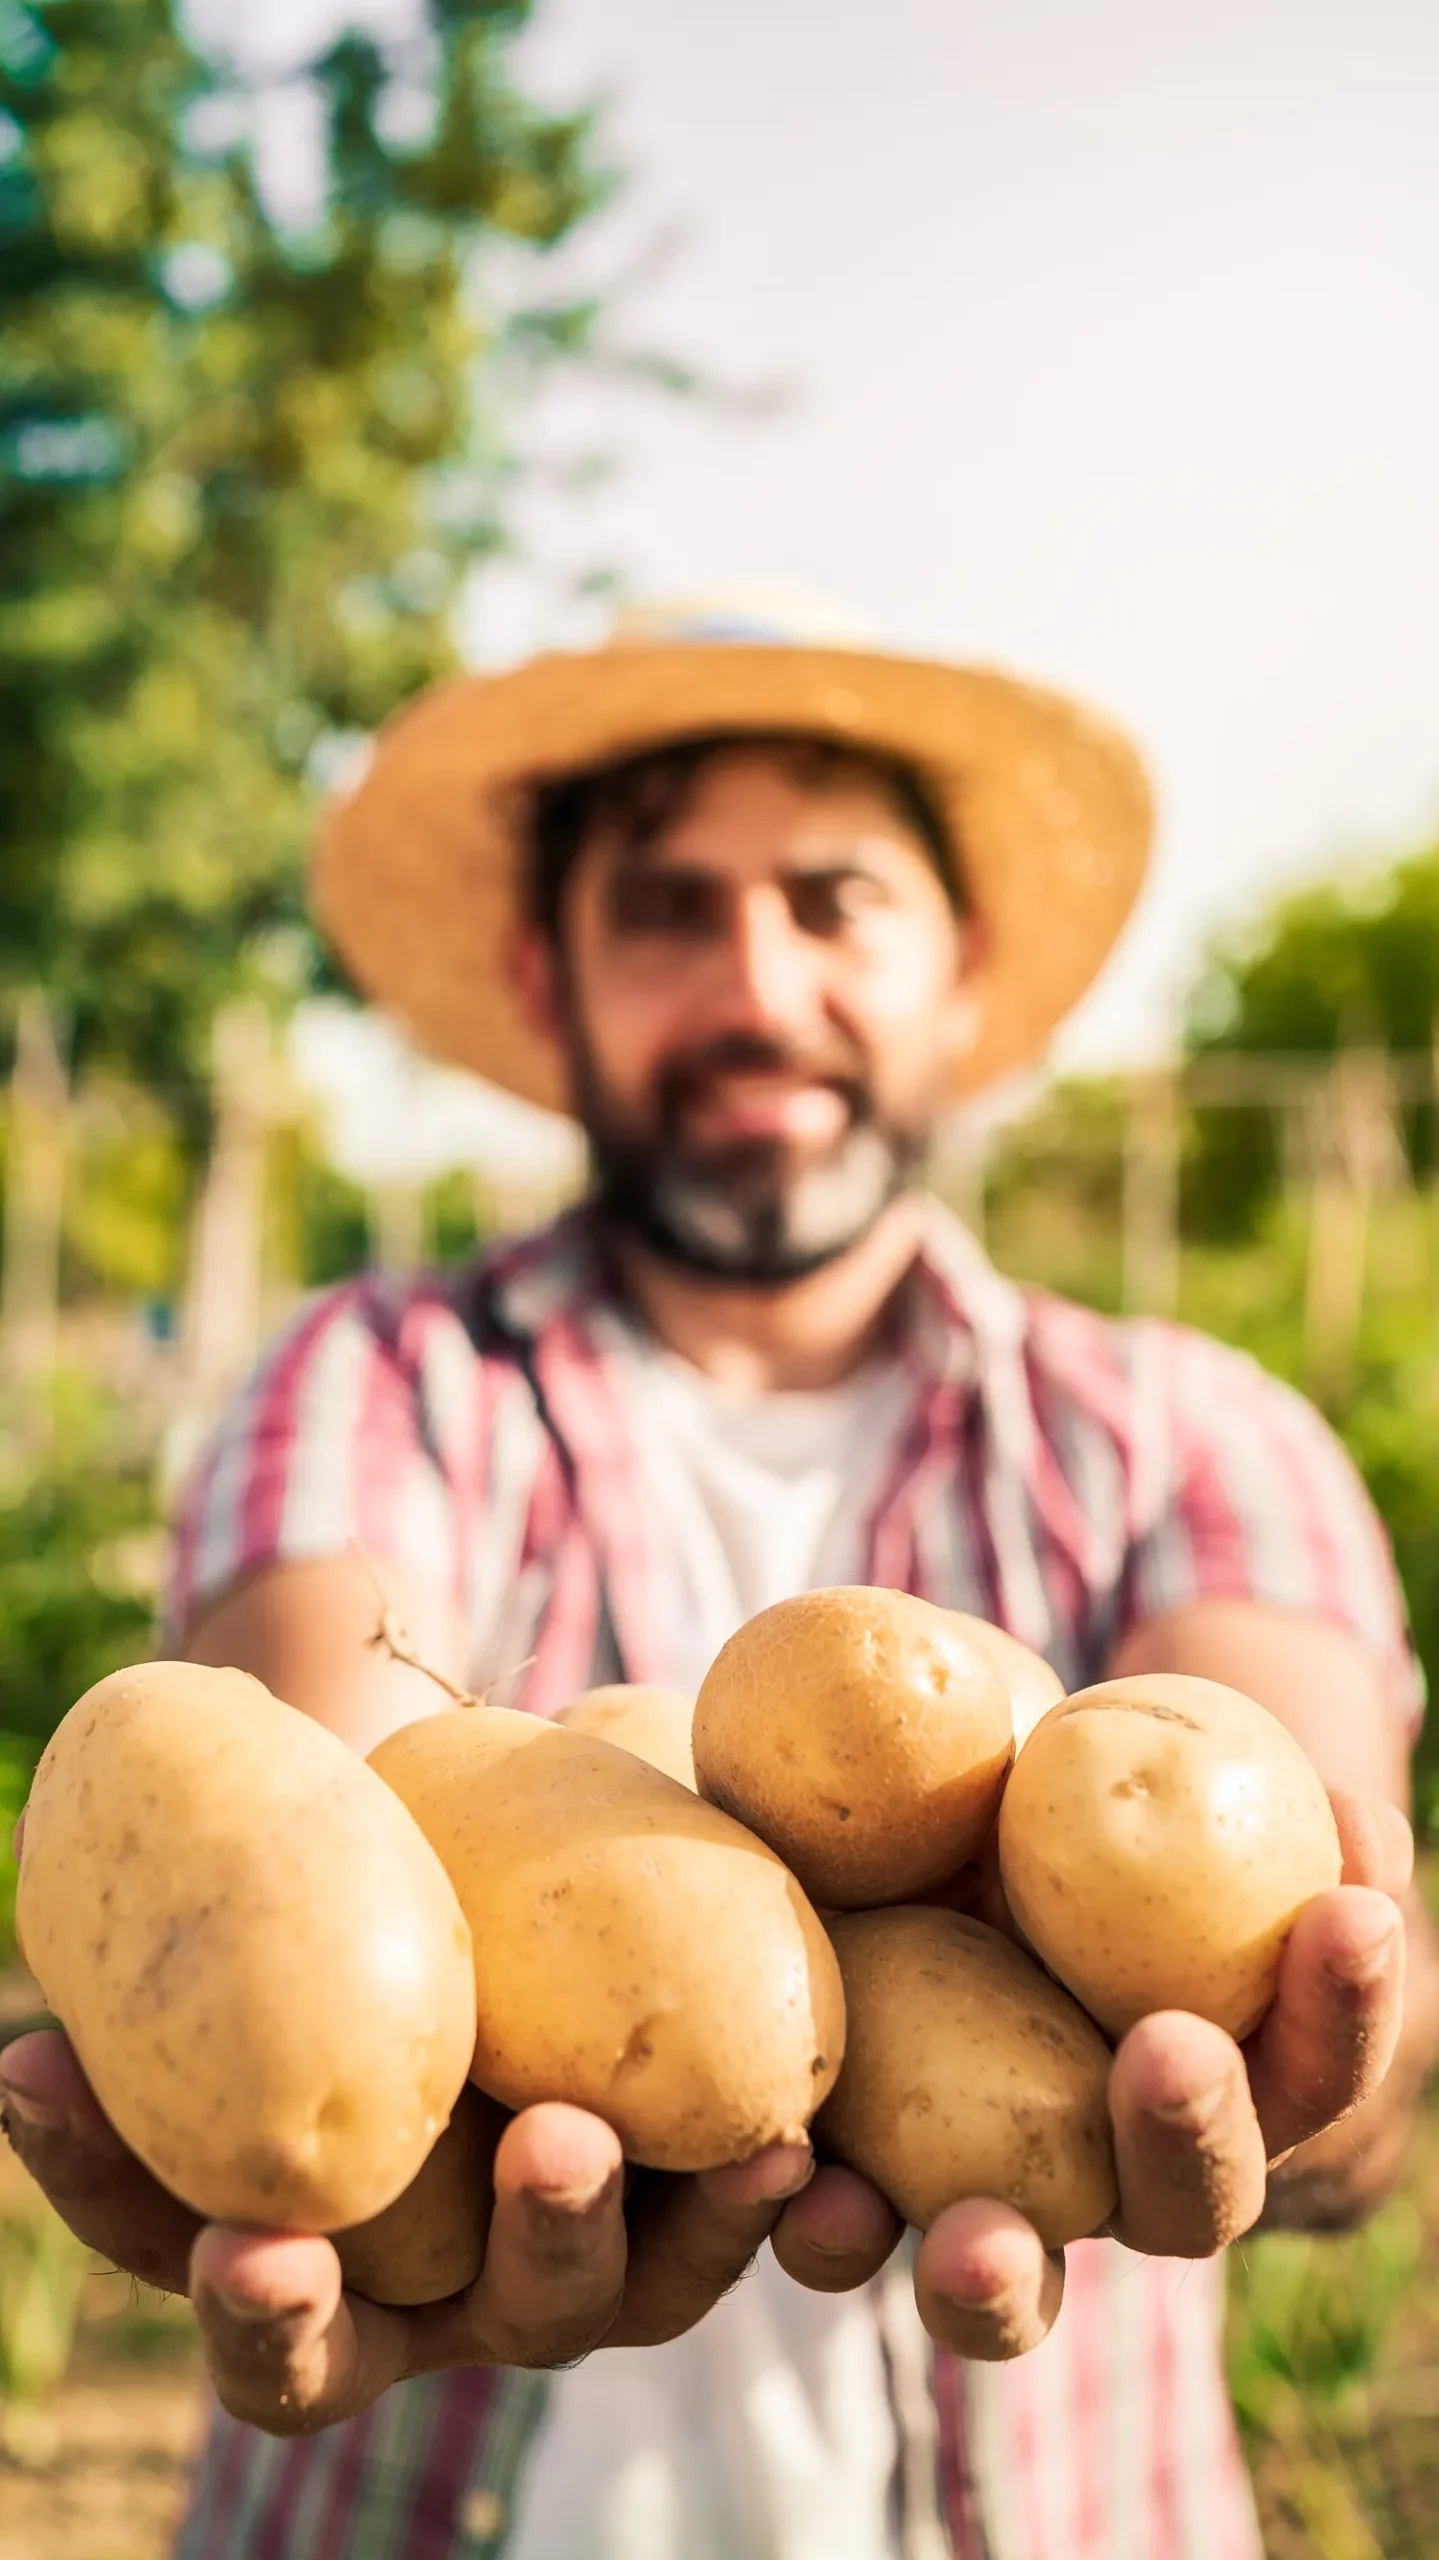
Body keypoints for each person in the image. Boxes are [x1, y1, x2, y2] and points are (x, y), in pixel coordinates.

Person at [3, 602, 1436, 2560]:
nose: (757, 981)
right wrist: (330, 2109)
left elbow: (1318, 1941)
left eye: (832, 901)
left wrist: (1318, 2078)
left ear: (962, 971)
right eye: (667, 909)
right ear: (548, 973)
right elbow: (317, 1824)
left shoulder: (1191, 1430)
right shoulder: (375, 1380)